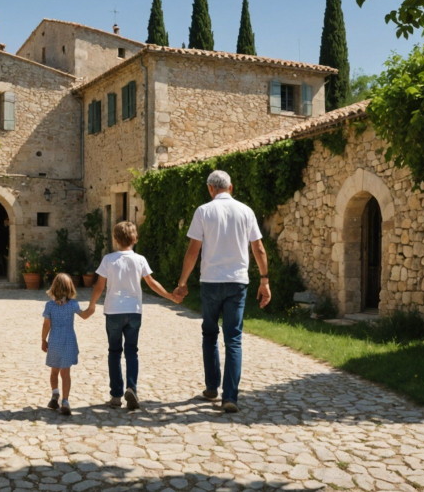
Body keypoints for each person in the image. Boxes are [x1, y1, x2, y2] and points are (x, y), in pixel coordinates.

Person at [173, 170, 271, 414]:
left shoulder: (203, 212)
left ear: (210, 189)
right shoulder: (246, 211)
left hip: (210, 282)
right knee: (234, 338)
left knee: (209, 334)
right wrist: (265, 280)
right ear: (231, 187)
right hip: (237, 283)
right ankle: (230, 397)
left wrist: (183, 282)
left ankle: (211, 387)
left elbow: (193, 251)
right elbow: (258, 248)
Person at [88, 221, 177, 410]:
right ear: (135, 238)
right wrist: (169, 296)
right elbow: (151, 283)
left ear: (115, 238)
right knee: (131, 352)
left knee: (114, 352)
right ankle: (132, 388)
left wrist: (92, 305)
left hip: (113, 311)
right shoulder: (140, 260)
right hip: (134, 311)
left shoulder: (109, 260)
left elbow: (99, 286)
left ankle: (115, 396)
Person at [42, 273, 94, 416]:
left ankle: (54, 395)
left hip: (54, 341)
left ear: (54, 288)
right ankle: (65, 401)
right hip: (69, 341)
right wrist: (91, 308)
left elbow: (46, 324)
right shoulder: (73, 304)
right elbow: (84, 315)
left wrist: (43, 340)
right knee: (66, 373)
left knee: (54, 371)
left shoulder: (50, 305)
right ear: (70, 288)